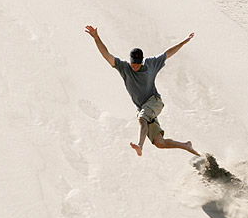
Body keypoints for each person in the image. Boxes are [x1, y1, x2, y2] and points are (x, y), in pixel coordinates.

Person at [85, 25, 200, 157]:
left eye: (138, 64)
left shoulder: (150, 64)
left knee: (142, 119)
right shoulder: (124, 68)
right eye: (133, 63)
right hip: (143, 107)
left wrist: (184, 41)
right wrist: (96, 38)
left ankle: (140, 145)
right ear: (130, 60)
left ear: (142, 62)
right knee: (159, 143)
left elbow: (167, 53)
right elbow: (107, 55)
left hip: (154, 101)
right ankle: (186, 145)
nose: (135, 66)